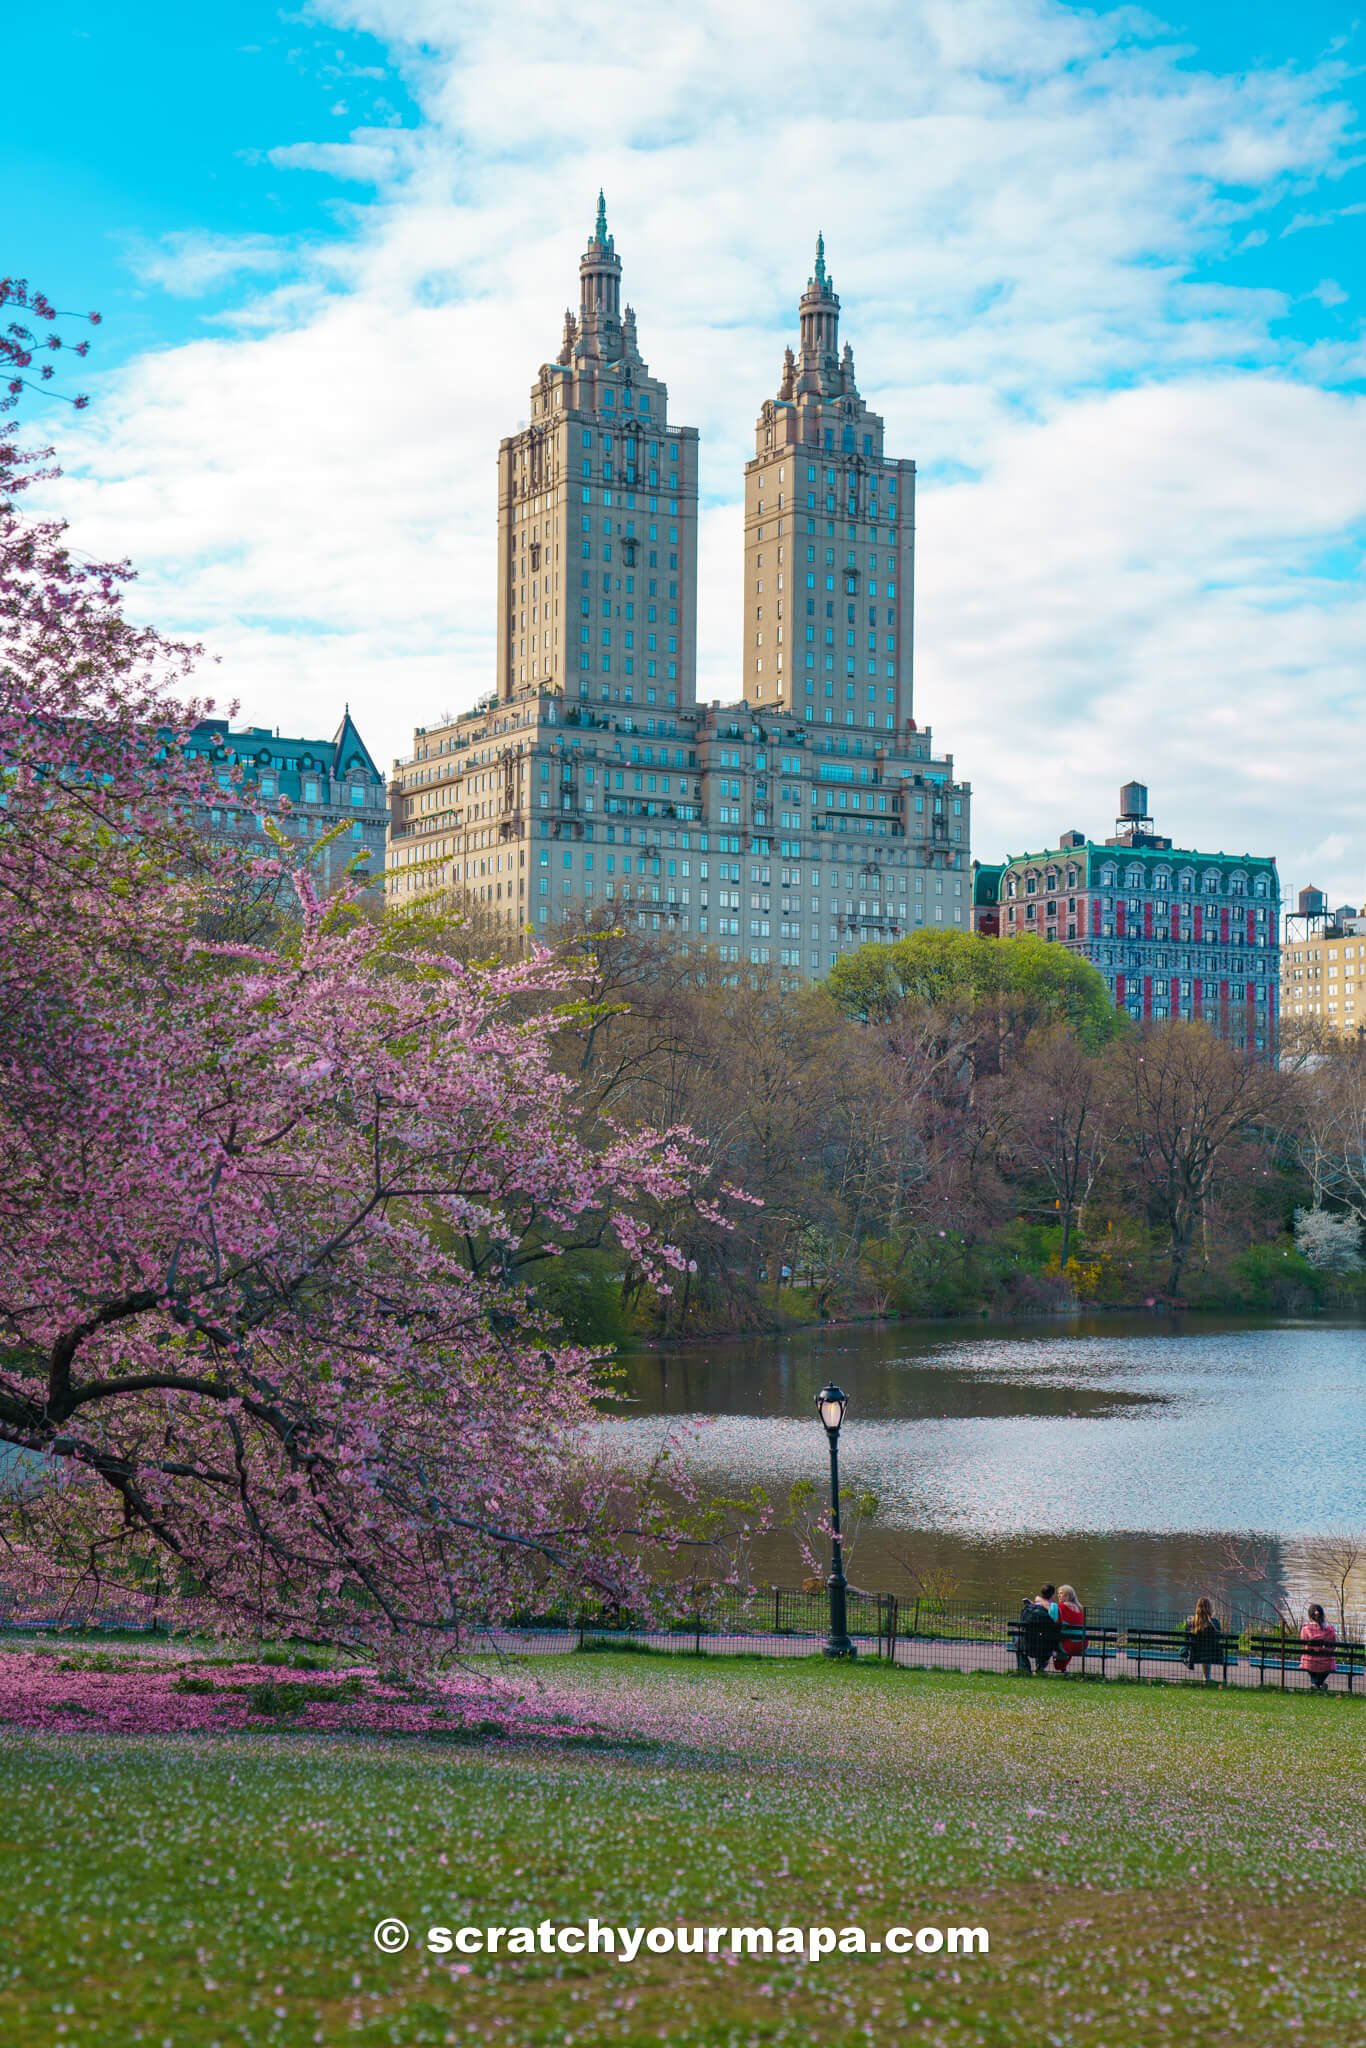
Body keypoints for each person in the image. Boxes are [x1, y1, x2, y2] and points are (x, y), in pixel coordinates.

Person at [1016, 1583, 1060, 1674]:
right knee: (1045, 1638)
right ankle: (1040, 1667)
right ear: (1052, 1595)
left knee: (1016, 1638)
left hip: (1027, 1645)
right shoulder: (1053, 1609)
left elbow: (1020, 1625)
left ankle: (1024, 1669)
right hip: (1045, 1647)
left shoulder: (1029, 1609)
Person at [1182, 1596, 1223, 1682]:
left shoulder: (1190, 1622)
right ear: (1210, 1608)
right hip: (1213, 1654)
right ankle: (1206, 1678)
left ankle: (1206, 1678)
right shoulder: (1215, 1623)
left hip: (1194, 1655)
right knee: (1207, 1650)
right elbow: (1218, 1639)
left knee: (1195, 1649)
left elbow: (1186, 1640)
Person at [1300, 1603, 1338, 1692]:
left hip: (1309, 1662)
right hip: (1327, 1663)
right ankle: (1319, 1684)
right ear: (1323, 1615)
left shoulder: (1305, 1628)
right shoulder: (1330, 1629)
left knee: (1308, 1661)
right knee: (1327, 1663)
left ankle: (1315, 1684)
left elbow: (1304, 1646)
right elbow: (1333, 1646)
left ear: (1310, 1616)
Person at [1050, 1584, 1088, 1673]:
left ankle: (1059, 1666)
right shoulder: (1080, 1608)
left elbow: (1053, 1620)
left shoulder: (1060, 1607)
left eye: (1061, 1593)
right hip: (1082, 1644)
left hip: (1069, 1646)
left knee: (1056, 1640)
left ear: (1067, 1595)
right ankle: (1063, 1668)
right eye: (1058, 1593)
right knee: (1068, 1637)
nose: (1059, 1595)